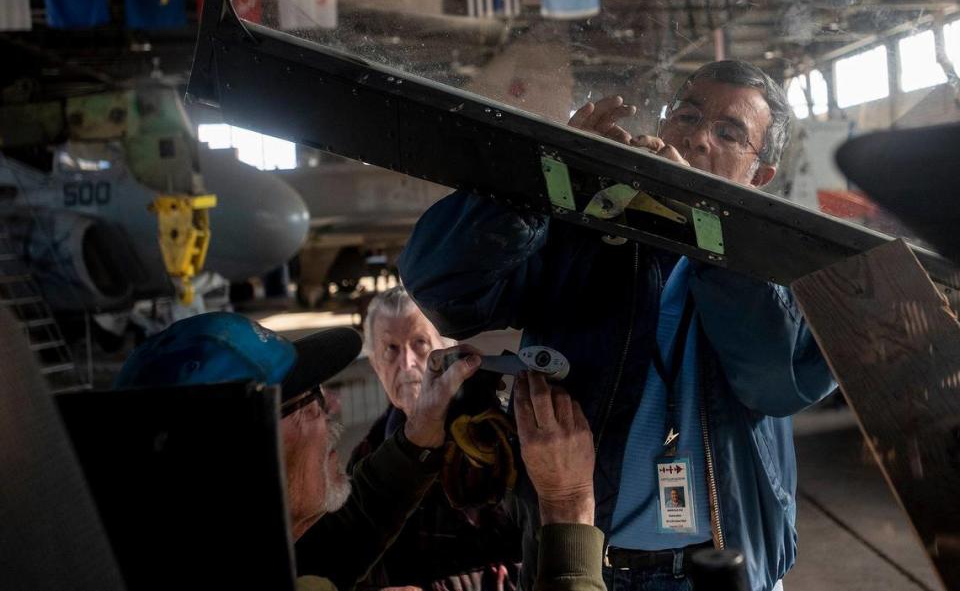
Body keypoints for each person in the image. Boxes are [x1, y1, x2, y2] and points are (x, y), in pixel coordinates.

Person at [398, 60, 837, 591]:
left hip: (718, 568)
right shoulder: (588, 228)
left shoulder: (773, 264)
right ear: (663, 122)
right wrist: (540, 180)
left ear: (759, 174)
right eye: (687, 115)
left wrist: (705, 227)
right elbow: (445, 284)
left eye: (728, 133)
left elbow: (779, 379)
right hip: (583, 563)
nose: (698, 137)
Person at [115, 312, 604, 591]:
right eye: (308, 398)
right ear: (243, 447)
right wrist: (568, 505)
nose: (331, 403)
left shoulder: (220, 558)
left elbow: (338, 540)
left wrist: (420, 436)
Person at [350, 286, 522, 591]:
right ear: (376, 366)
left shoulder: (489, 441)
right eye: (390, 349)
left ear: (446, 350)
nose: (407, 364)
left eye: (419, 344)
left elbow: (529, 561)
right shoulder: (367, 453)